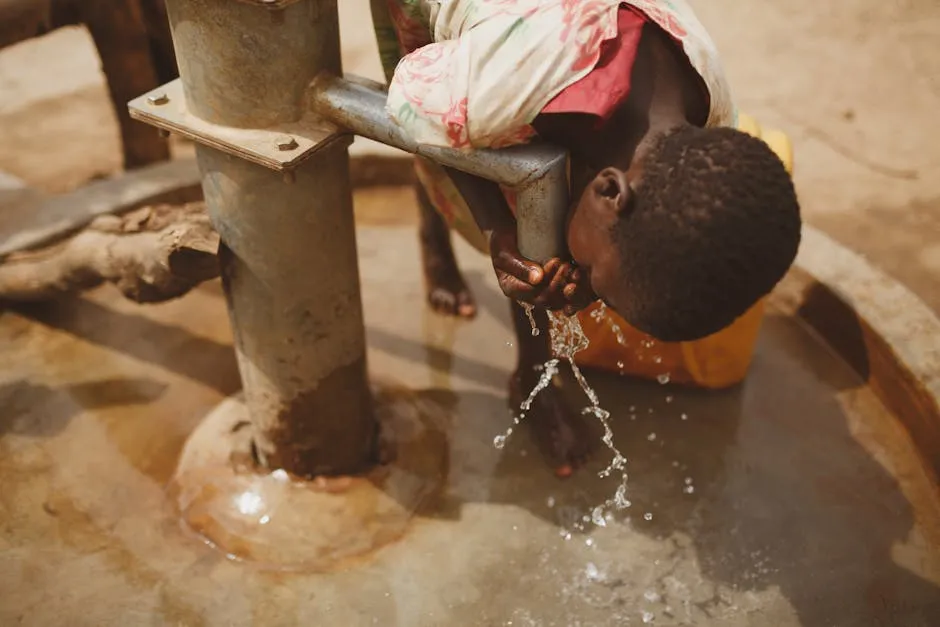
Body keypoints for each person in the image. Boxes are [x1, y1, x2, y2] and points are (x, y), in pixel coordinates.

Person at [371, 0, 802, 476]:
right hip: (470, 38)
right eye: (599, 283)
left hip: (531, 40)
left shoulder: (708, 102)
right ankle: (434, 238)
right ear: (609, 191)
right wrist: (497, 227)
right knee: (453, 148)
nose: (584, 293)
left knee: (540, 207)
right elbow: (413, 105)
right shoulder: (503, 88)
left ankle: (532, 377)